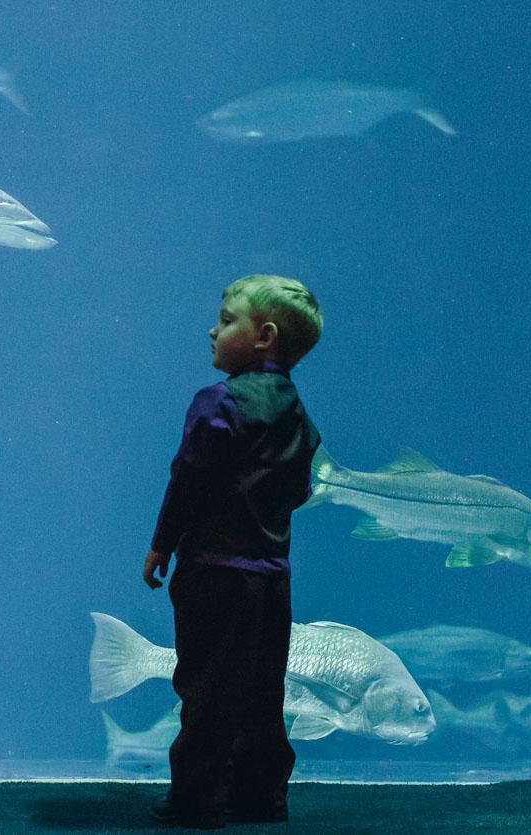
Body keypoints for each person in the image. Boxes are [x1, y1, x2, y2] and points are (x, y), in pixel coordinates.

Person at [142, 274, 323, 828]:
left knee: (206, 689)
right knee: (262, 690)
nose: (213, 329)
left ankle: (197, 801)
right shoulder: (296, 413)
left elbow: (188, 478)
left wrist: (161, 544)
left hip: (216, 572)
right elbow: (301, 489)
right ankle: (261, 797)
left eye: (225, 320)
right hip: (271, 577)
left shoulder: (219, 402)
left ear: (264, 336)